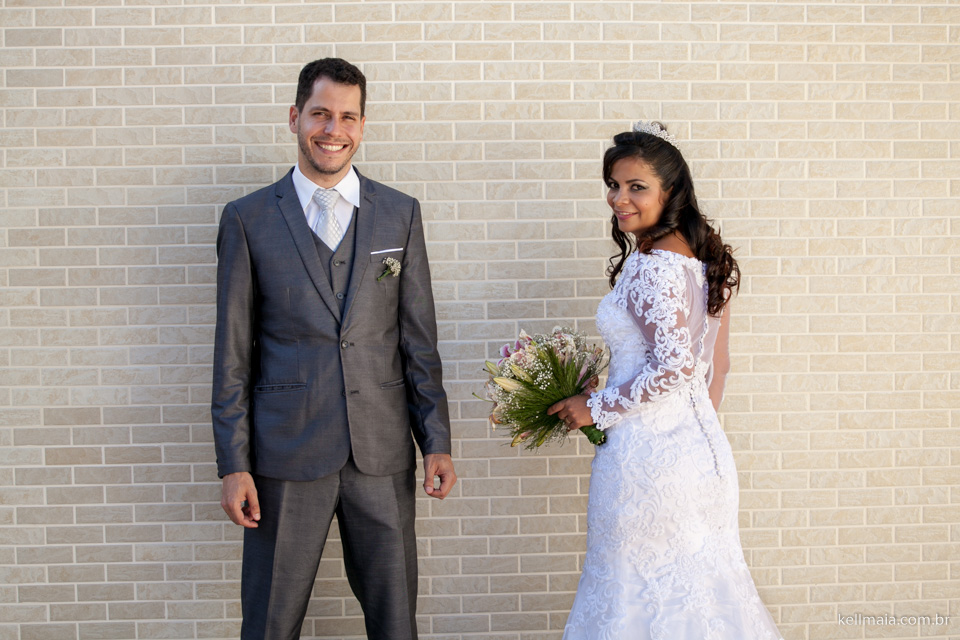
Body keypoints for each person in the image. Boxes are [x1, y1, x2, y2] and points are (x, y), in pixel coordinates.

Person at [211, 57, 456, 640]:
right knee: (270, 622)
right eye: (320, 113)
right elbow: (232, 354)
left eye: (347, 116)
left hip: (381, 450)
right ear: (296, 117)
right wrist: (233, 463)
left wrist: (437, 442)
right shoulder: (247, 219)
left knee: (396, 622)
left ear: (363, 126)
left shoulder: (400, 214)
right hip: (286, 457)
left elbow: (418, 340)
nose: (332, 128)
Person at [548, 122, 782, 639]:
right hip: (701, 457)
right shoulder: (699, 261)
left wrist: (598, 408)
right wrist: (685, 442)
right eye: (613, 184)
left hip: (646, 465)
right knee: (698, 598)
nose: (619, 198)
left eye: (637, 187)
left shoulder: (655, 266)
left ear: (670, 191)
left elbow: (675, 366)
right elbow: (714, 370)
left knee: (633, 597)